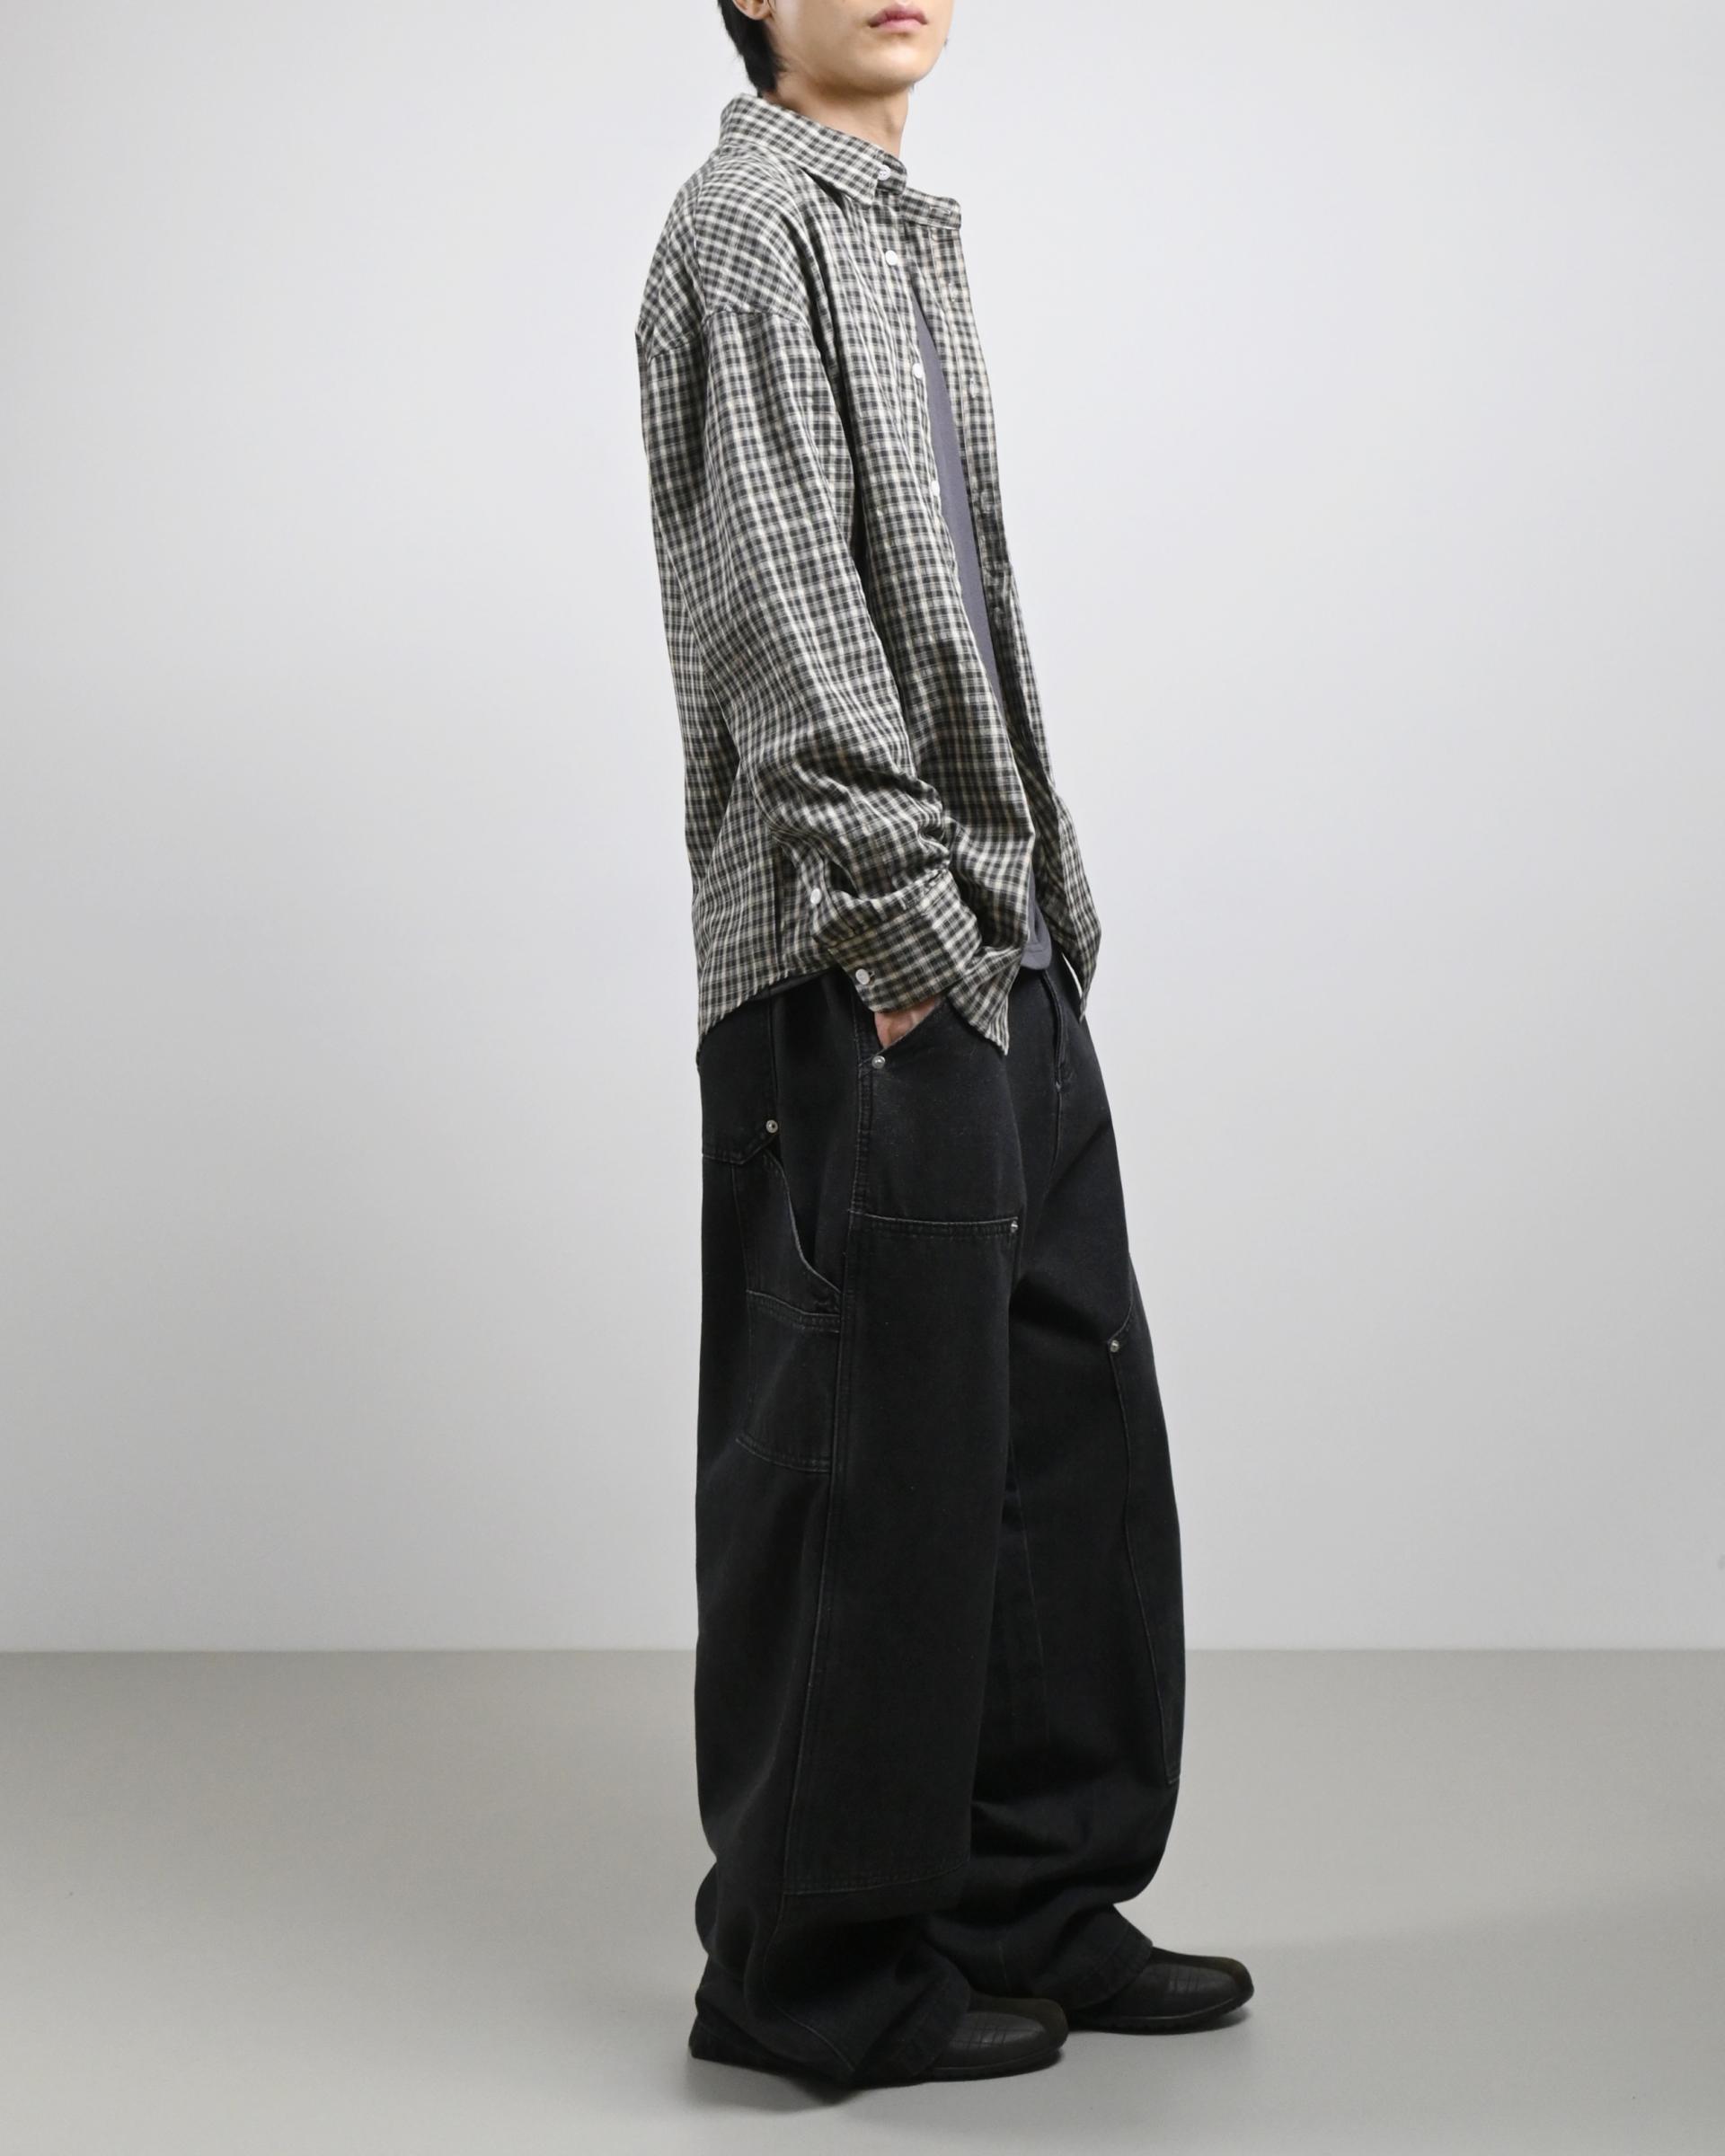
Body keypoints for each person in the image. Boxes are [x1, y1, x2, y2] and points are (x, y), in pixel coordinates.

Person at [633, 0, 1252, 2088]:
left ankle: (1030, 1900)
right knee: (867, 1468)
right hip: (866, 958)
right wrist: (908, 940)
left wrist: (1029, 918)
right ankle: (806, 1977)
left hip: (998, 935)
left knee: (1056, 1449)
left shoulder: (895, 229)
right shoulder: (750, 228)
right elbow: (780, 607)